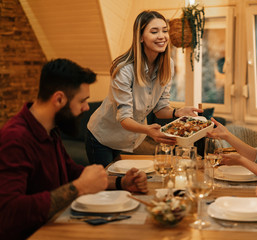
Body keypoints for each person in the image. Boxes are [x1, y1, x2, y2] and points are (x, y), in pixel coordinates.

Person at [0, 59, 148, 240]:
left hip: (57, 226)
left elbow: (72, 172)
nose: (86, 108)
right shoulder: (16, 138)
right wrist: (78, 188)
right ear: (59, 99)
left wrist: (121, 183)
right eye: (82, 101)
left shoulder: (50, 130)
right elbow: (8, 213)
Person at [86, 10, 202, 167]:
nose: (162, 36)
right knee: (108, 185)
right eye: (154, 31)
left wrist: (177, 112)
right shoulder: (124, 69)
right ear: (140, 37)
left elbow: (160, 108)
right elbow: (125, 118)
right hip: (101, 138)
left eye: (164, 30)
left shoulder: (168, 65)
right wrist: (148, 130)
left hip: (130, 140)